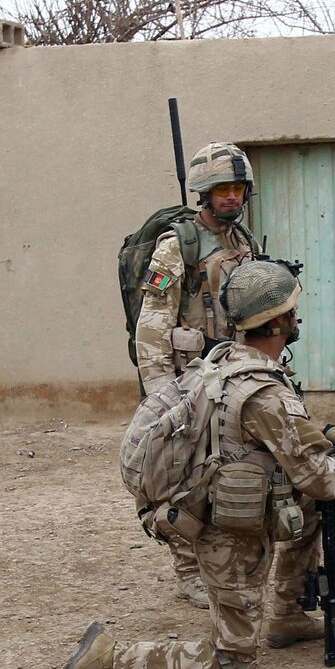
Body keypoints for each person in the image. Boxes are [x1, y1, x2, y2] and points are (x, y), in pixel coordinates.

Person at [61, 260, 335, 669]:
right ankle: (111, 657)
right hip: (228, 537)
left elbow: (262, 441)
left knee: (309, 511)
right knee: (232, 663)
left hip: (217, 511)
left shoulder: (222, 362)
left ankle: (289, 613)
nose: (296, 318)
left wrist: (320, 436)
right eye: (292, 310)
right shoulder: (265, 391)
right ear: (278, 322)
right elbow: (321, 480)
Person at [136, 141, 261, 609]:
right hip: (188, 382)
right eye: (222, 189)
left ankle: (228, 561)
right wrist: (159, 399)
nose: (232, 197)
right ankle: (188, 569)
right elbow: (151, 327)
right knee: (184, 481)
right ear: (204, 194)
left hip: (235, 378)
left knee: (236, 473)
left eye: (237, 188)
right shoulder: (176, 247)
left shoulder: (243, 241)